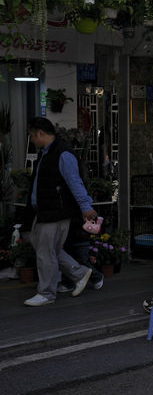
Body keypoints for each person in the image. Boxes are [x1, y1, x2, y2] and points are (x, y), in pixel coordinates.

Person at [22, 117, 96, 306]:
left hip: (55, 211)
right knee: (48, 250)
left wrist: (86, 207)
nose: (31, 140)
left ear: (40, 133)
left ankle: (46, 293)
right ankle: (80, 273)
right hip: (46, 210)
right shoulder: (46, 153)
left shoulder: (62, 154)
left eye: (31, 136)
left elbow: (75, 182)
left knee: (45, 253)